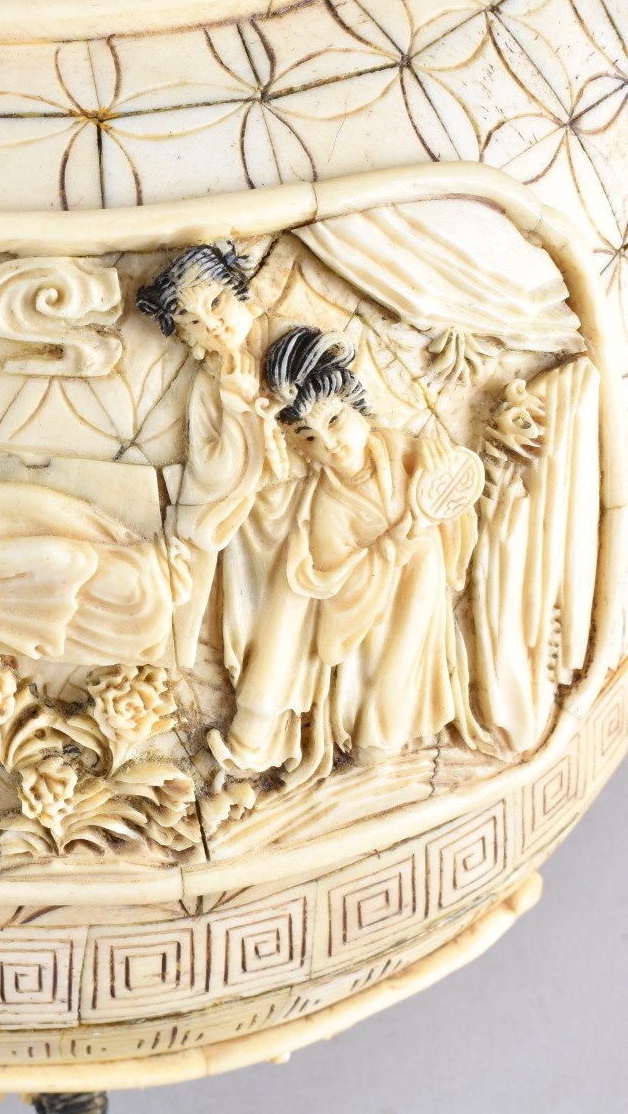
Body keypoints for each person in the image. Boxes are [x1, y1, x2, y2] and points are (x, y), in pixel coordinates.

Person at [212, 326, 484, 784]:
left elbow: (454, 503)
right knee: (372, 699)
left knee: (406, 643)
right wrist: (389, 548)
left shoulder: (407, 454)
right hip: (369, 608)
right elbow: (332, 583)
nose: (330, 444)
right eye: (310, 437)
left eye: (334, 420)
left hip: (418, 591)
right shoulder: (327, 504)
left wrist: (435, 494)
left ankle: (387, 729)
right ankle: (365, 732)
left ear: (357, 405)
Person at [137, 243, 294, 669]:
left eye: (215, 303)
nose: (213, 325)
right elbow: (209, 471)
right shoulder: (210, 385)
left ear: (238, 288)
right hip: (233, 519)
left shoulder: (284, 351)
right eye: (193, 321)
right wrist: (237, 406)